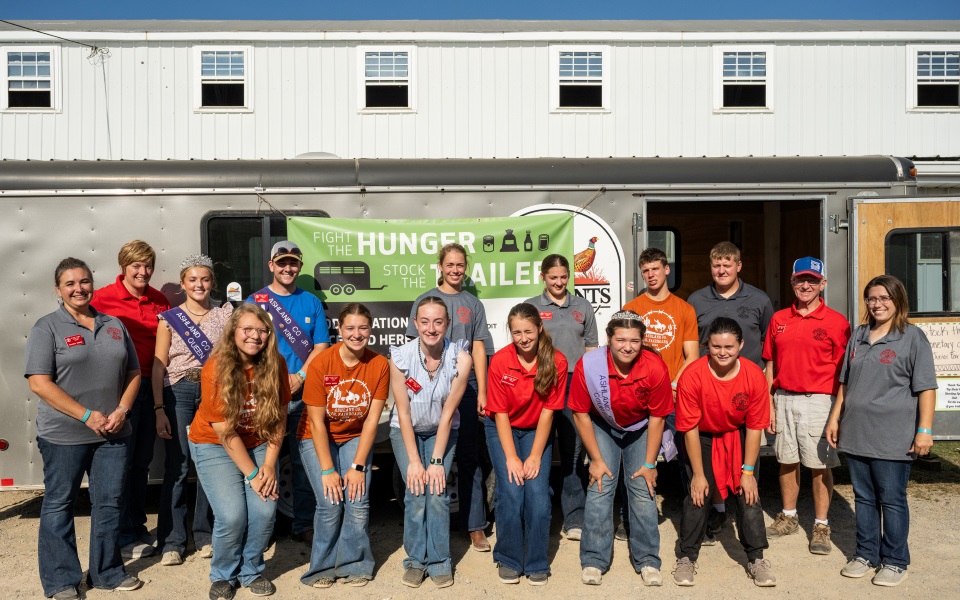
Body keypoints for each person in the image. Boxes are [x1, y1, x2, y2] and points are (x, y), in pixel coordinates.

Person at [26, 258, 144, 599]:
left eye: (85, 281)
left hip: (113, 432)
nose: (79, 288)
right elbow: (39, 383)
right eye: (70, 283)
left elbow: (134, 372)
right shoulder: (46, 327)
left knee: (108, 504)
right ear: (58, 290)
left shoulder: (113, 324)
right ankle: (61, 580)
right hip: (64, 435)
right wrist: (85, 415)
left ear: (93, 283)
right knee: (59, 504)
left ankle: (106, 572)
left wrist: (122, 409)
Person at [826, 275, 937, 587]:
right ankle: (866, 554)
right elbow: (845, 384)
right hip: (857, 431)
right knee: (864, 497)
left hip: (894, 435)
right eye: (872, 299)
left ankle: (895, 560)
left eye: (884, 298)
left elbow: (926, 387)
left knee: (891, 498)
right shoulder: (859, 335)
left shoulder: (912, 337)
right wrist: (835, 418)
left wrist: (924, 430)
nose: (877, 304)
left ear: (897, 300)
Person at [188, 304, 290, 600]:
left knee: (264, 509)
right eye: (248, 329)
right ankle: (223, 574)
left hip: (258, 441)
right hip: (214, 443)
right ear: (233, 331)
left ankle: (251, 570)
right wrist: (255, 474)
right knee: (232, 515)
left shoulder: (277, 364)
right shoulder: (216, 367)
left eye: (262, 331)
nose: (255, 337)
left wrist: (269, 465)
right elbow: (224, 431)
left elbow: (279, 417)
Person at [569, 311, 672, 587]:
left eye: (635, 341)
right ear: (608, 339)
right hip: (602, 426)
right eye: (621, 340)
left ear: (643, 340)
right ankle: (593, 559)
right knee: (600, 485)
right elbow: (580, 413)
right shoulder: (589, 364)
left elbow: (658, 418)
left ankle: (648, 559)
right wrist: (596, 459)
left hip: (640, 429)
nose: (628, 347)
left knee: (642, 488)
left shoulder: (654, 367)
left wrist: (650, 465)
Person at [673, 317, 776, 587]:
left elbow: (755, 428)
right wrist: (698, 474)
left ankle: (756, 558)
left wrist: (748, 472)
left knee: (748, 493)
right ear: (708, 345)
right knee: (699, 494)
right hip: (702, 436)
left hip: (739, 435)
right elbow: (689, 429)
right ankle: (686, 557)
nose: (722, 352)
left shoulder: (753, 374)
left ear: (741, 345)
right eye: (716, 346)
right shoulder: (693, 375)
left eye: (729, 346)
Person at [406, 243, 493, 551]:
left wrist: (482, 390)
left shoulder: (473, 303)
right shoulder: (426, 300)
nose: (456, 270)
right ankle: (429, 525)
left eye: (460, 265)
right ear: (440, 267)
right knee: (433, 456)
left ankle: (474, 526)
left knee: (470, 456)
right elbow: (412, 349)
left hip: (466, 388)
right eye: (450, 265)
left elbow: (479, 348)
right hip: (430, 387)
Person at [298, 303, 390, 588]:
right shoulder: (321, 363)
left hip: (354, 435)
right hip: (316, 437)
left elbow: (372, 421)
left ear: (370, 330)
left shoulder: (379, 364)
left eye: (363, 328)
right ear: (340, 329)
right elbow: (315, 423)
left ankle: (355, 563)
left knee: (358, 498)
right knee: (329, 501)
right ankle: (321, 567)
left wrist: (358, 467)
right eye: (350, 328)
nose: (357, 334)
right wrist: (328, 470)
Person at [763, 257, 850, 554]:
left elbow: (844, 374)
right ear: (792, 282)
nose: (805, 285)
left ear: (823, 284)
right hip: (784, 397)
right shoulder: (779, 319)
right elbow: (770, 363)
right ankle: (788, 517)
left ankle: (821, 525)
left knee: (819, 465)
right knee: (787, 460)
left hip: (819, 401)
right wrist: (771, 404)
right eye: (800, 279)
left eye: (812, 280)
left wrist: (837, 412)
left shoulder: (838, 323)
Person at [91, 240, 170, 560]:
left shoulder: (159, 300)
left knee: (141, 464)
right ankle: (122, 534)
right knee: (120, 464)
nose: (143, 272)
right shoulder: (102, 300)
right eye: (136, 265)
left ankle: (135, 526)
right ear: (123, 267)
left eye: (148, 265)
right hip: (119, 391)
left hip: (152, 389)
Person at [246, 240, 330, 543]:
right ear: (271, 266)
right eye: (281, 262)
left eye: (293, 262)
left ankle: (302, 525)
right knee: (260, 463)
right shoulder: (254, 302)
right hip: (262, 396)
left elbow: (321, 346)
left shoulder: (311, 302)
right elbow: (244, 347)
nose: (287, 268)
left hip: (301, 395)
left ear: (300, 266)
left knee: (303, 463)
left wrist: (300, 376)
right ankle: (261, 530)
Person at [153, 254, 232, 565]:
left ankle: (205, 535)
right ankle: (172, 540)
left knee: (210, 464)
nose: (199, 285)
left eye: (205, 279)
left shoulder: (226, 316)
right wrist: (159, 407)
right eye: (193, 280)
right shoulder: (169, 318)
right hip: (179, 392)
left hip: (214, 391)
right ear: (183, 283)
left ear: (212, 283)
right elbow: (158, 366)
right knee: (179, 465)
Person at [390, 297, 472, 588]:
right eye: (424, 322)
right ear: (415, 324)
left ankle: (439, 560)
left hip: (442, 430)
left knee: (436, 493)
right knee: (414, 492)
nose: (431, 328)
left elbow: (449, 414)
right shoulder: (400, 357)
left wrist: (436, 462)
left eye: (438, 321)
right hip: (407, 430)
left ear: (447, 323)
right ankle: (415, 560)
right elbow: (403, 411)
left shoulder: (461, 359)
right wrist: (414, 462)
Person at [618, 247, 698, 540]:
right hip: (641, 398)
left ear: (666, 270)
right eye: (645, 271)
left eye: (655, 269)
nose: (650, 275)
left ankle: (696, 524)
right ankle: (631, 521)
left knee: (687, 461)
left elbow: (692, 355)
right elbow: (624, 354)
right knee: (637, 459)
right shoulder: (632, 308)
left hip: (676, 396)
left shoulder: (684, 309)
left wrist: (674, 384)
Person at [485, 303, 567, 585]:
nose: (523, 338)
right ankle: (508, 557)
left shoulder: (557, 361)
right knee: (510, 490)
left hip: (536, 429)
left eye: (528, 331)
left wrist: (533, 457)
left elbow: (548, 413)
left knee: (537, 494)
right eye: (516, 332)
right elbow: (500, 414)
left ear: (539, 328)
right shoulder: (500, 361)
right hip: (501, 427)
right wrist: (511, 457)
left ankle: (536, 562)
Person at [524, 254, 598, 541]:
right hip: (542, 383)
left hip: (573, 386)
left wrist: (588, 386)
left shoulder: (582, 306)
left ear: (569, 276)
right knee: (538, 449)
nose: (558, 282)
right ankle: (538, 514)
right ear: (543, 277)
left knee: (573, 452)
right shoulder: (532, 306)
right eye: (553, 277)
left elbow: (591, 347)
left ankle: (574, 517)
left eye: (563, 277)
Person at [687, 241, 774, 368]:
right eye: (716, 265)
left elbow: (769, 342)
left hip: (750, 376)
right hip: (708, 376)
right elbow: (689, 344)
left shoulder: (759, 299)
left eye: (727, 265)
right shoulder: (696, 300)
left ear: (739, 266)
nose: (721, 271)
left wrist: (767, 377)